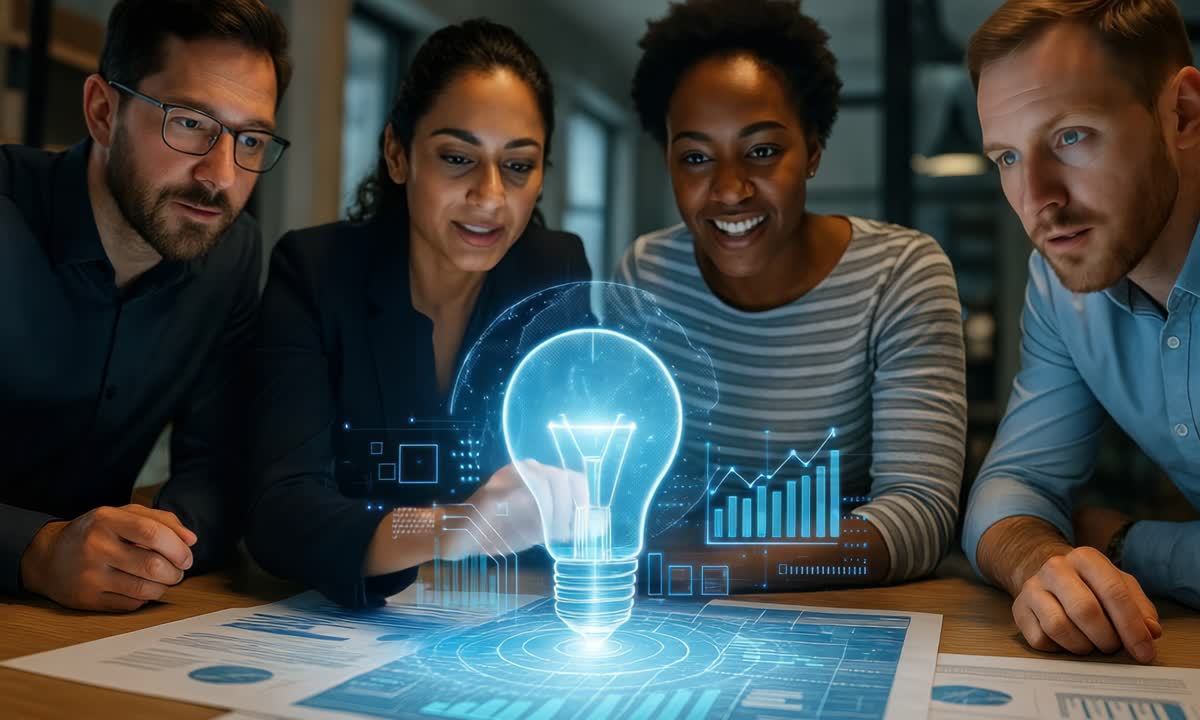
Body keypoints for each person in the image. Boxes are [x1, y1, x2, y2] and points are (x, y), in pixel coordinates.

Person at [963, 0, 1200, 665]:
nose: (1036, 198)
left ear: (1183, 112)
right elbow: (1016, 483)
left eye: (1071, 136)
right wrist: (1040, 562)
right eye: (1007, 157)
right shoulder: (1062, 282)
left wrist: (1127, 544)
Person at [244, 19, 591, 608]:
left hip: (510, 615)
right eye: (457, 157)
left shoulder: (553, 274)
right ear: (398, 155)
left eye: (517, 165)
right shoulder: (316, 272)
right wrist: (447, 528)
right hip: (344, 626)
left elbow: (587, 483)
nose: (489, 197)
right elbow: (278, 512)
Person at [618, 0, 967, 588]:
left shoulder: (901, 272)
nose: (729, 190)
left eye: (762, 151)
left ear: (813, 149)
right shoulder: (648, 274)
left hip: (843, 611)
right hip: (679, 615)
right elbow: (636, 493)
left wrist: (708, 564)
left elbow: (921, 515)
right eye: (696, 157)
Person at [0, 0, 290, 612]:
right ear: (103, 112)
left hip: (83, 628)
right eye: (189, 123)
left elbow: (216, 471)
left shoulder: (231, 254)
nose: (220, 174)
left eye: (251, 139)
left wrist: (152, 546)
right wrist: (36, 548)